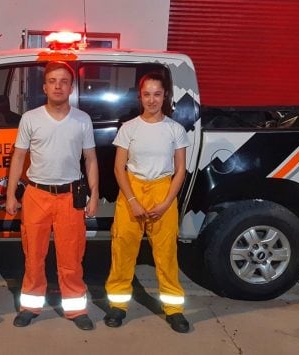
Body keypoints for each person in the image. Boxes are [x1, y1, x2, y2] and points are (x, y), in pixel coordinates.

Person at [5, 61, 99, 331]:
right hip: (36, 195)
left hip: (70, 196)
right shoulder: (31, 118)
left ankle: (76, 308)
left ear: (71, 87)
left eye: (64, 81)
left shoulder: (82, 119)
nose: (58, 86)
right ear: (44, 86)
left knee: (71, 257)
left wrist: (94, 195)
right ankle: (30, 306)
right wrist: (11, 194)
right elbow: (19, 157)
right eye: (52, 81)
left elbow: (90, 159)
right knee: (33, 255)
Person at [103, 72, 191, 333]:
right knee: (122, 251)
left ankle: (174, 310)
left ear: (165, 97)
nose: (152, 100)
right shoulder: (129, 128)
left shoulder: (175, 129)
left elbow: (181, 170)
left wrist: (165, 204)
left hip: (163, 190)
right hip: (132, 190)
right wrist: (132, 201)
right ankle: (118, 306)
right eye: (147, 94)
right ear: (140, 97)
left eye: (157, 94)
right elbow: (119, 168)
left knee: (166, 255)